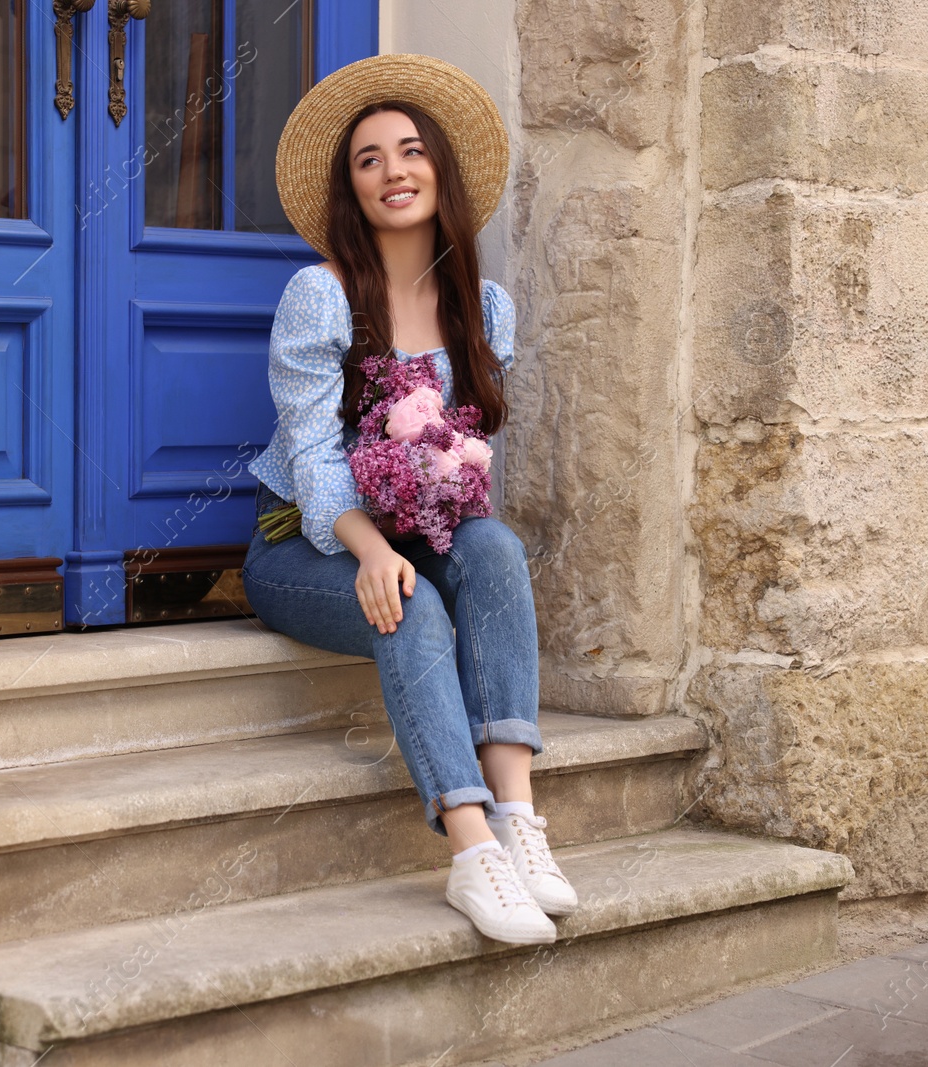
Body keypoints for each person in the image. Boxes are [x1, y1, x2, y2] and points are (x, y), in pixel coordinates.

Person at [244, 54, 576, 945]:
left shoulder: (484, 306)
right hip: (304, 544)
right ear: (351, 189)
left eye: (411, 150)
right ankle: (470, 851)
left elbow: (459, 468)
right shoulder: (320, 296)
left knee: (496, 546)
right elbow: (315, 459)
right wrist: (372, 548)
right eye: (368, 159)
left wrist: (422, 527)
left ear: (441, 171)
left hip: (417, 532)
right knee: (410, 600)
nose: (394, 170)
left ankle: (518, 819)